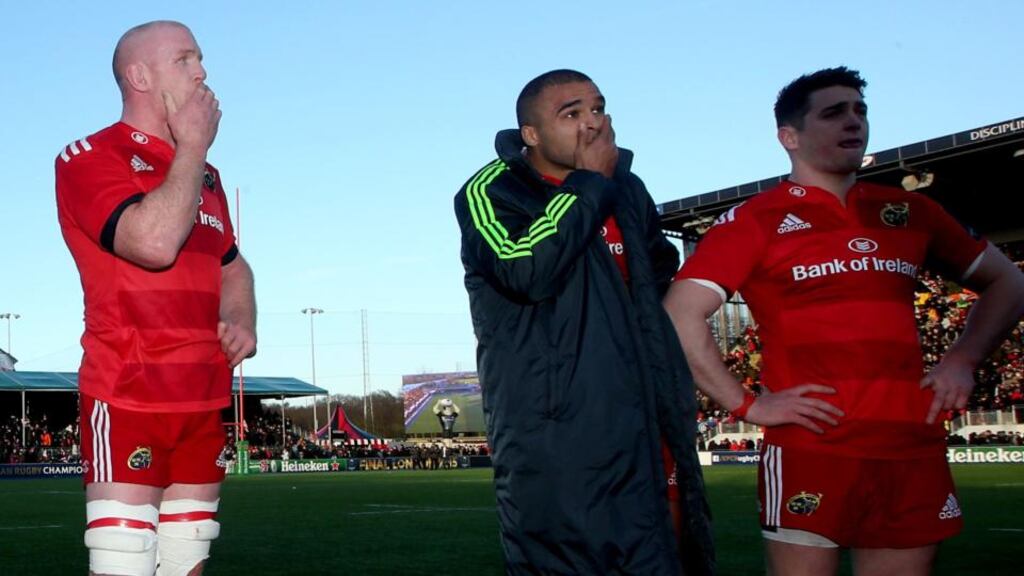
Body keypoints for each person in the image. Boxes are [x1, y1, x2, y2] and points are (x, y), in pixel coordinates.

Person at [664, 66, 1024, 575]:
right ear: (789, 137)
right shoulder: (755, 219)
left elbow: (1010, 283)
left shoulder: (910, 210)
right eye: (834, 113)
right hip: (813, 446)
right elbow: (681, 313)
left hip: (910, 444)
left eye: (860, 110)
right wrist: (746, 403)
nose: (854, 121)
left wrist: (962, 359)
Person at [454, 69, 713, 575]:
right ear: (531, 134)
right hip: (557, 435)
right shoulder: (491, 190)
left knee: (665, 557)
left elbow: (659, 273)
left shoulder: (629, 190)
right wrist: (588, 184)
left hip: (648, 420)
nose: (591, 124)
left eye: (597, 109)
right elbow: (523, 268)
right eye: (571, 114)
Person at [55, 21, 256, 576]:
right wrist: (192, 146)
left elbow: (233, 266)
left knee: (188, 562)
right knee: (125, 563)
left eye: (201, 59)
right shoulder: (89, 156)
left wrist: (239, 317)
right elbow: (153, 243)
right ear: (140, 76)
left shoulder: (206, 175)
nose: (202, 72)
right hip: (127, 394)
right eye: (186, 60)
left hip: (202, 397)